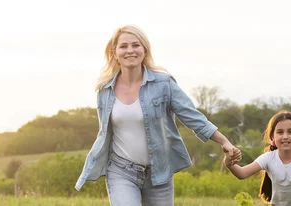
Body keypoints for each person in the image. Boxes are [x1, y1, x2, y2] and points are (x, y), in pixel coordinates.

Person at [74, 25, 241, 205]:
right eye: (124, 46)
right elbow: (105, 133)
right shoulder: (105, 90)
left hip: (159, 172)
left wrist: (224, 141)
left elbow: (193, 117)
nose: (130, 50)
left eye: (135, 45)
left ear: (144, 49)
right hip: (121, 170)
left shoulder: (163, 84)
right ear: (115, 52)